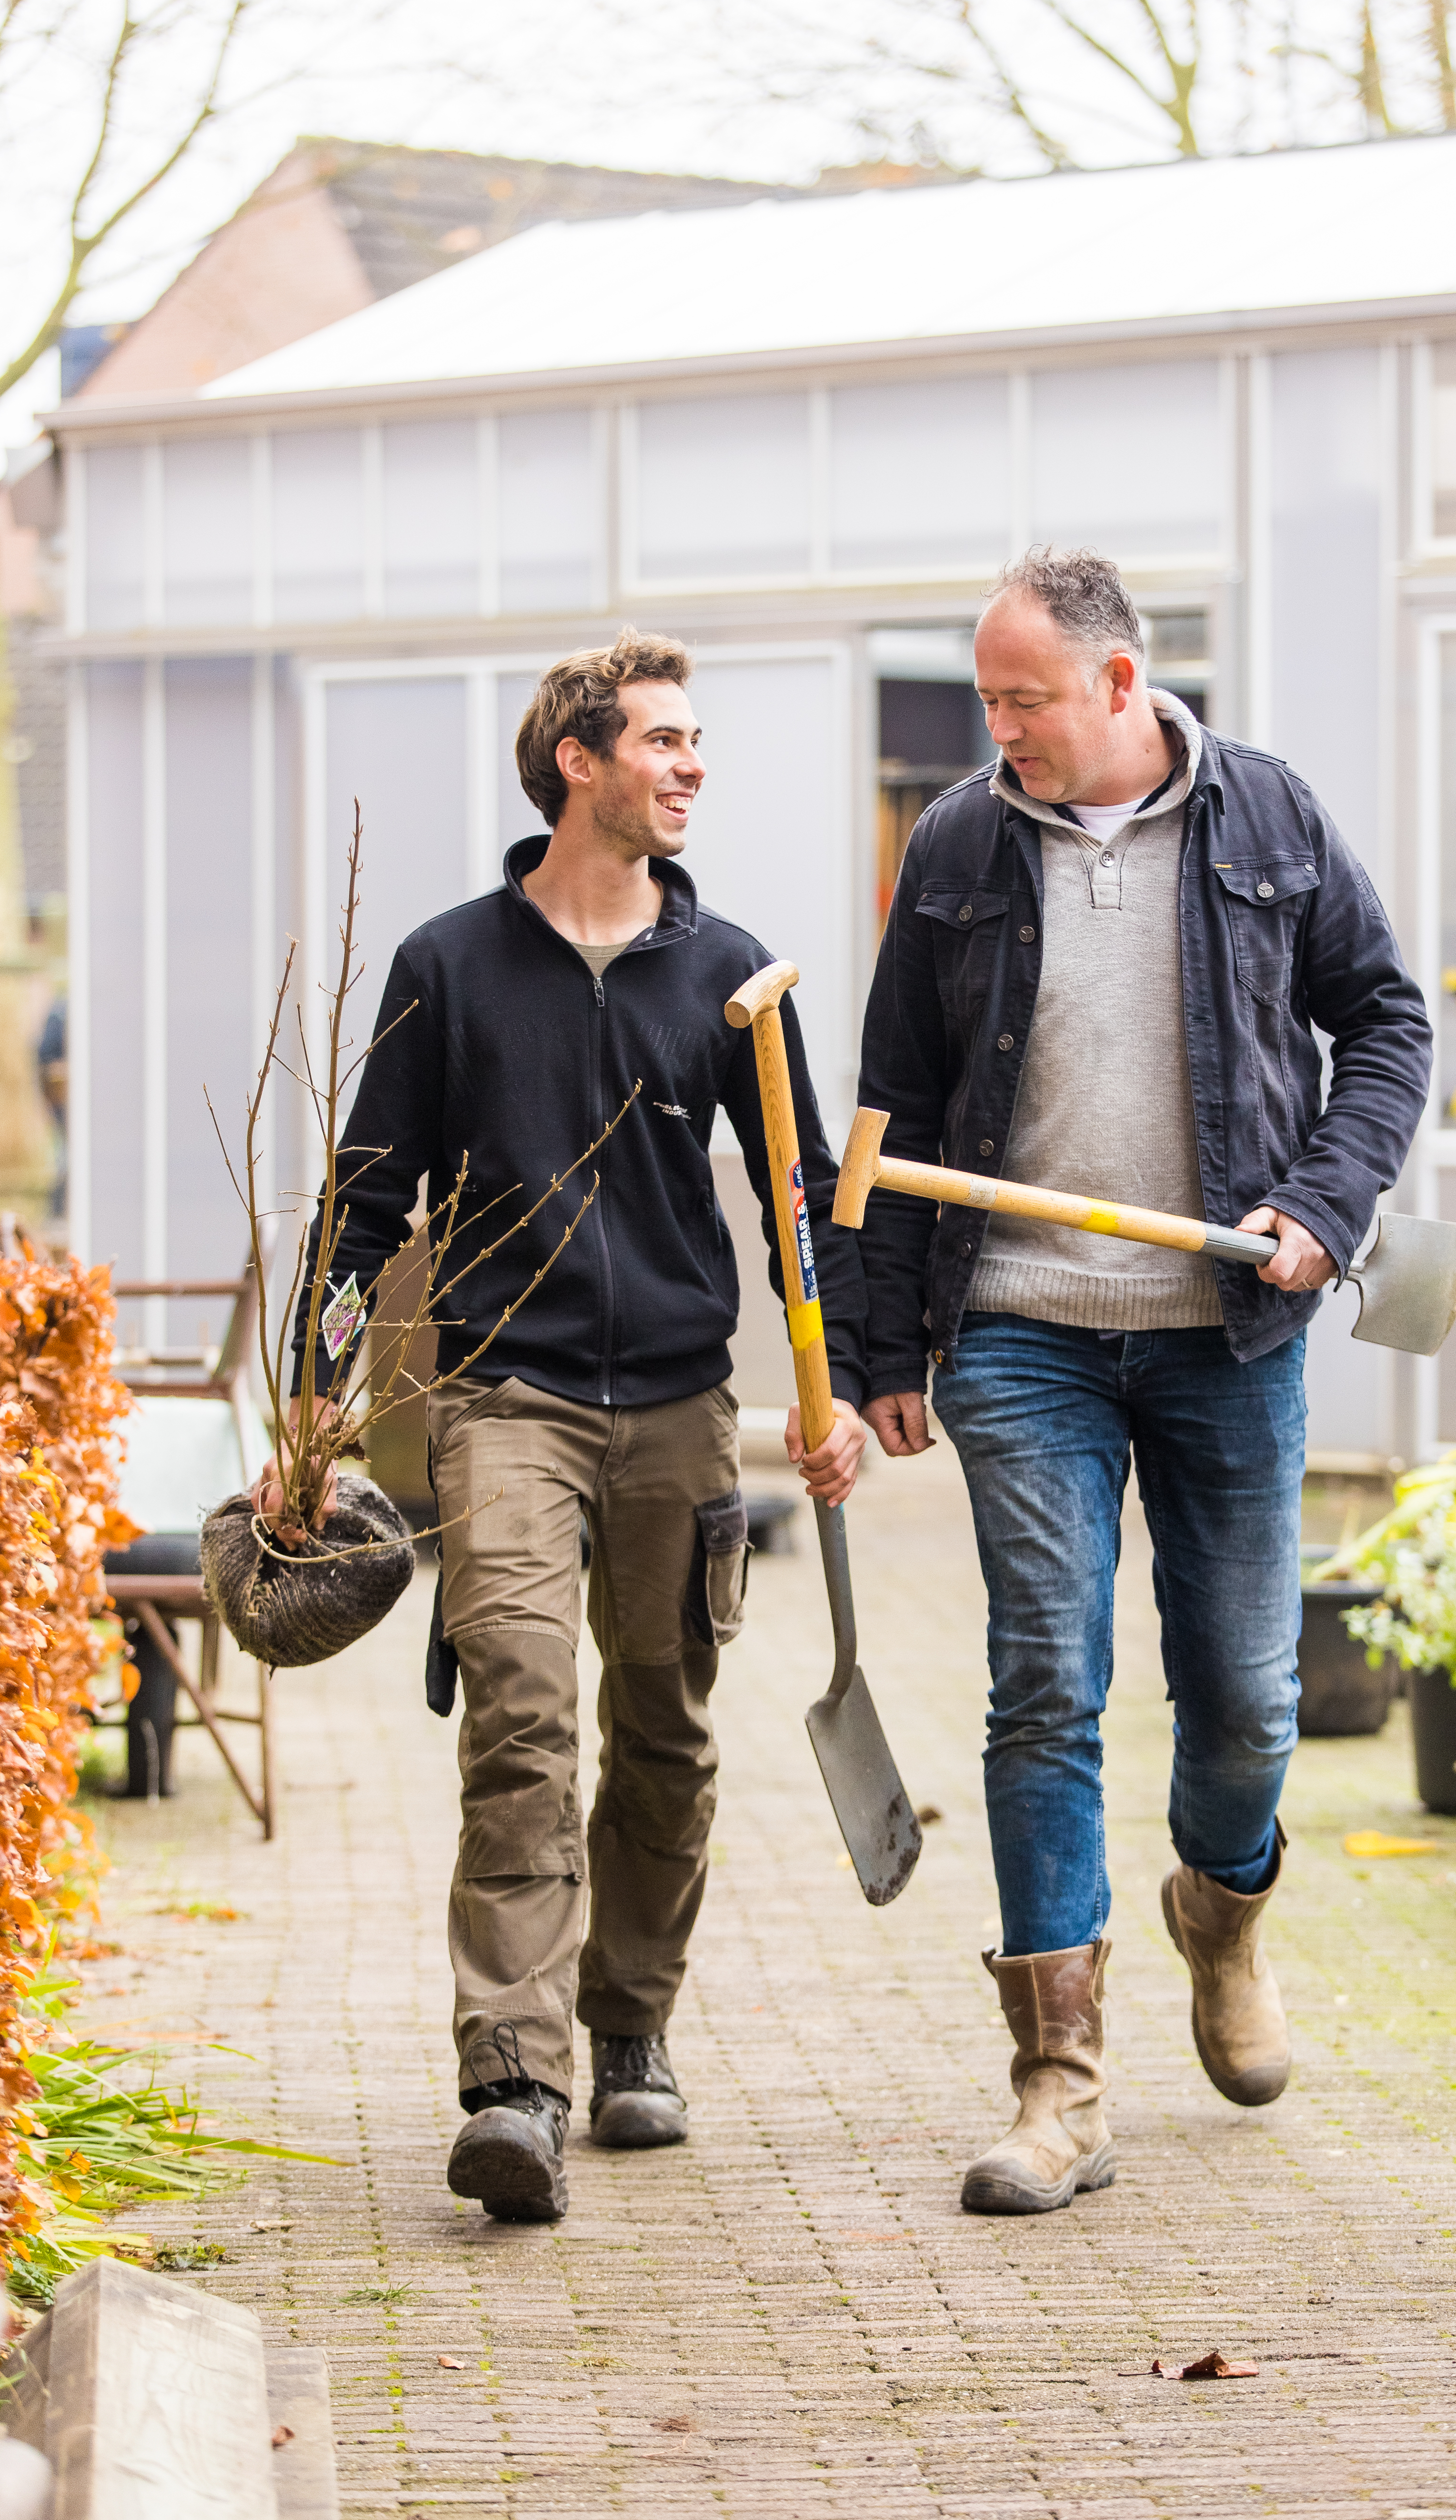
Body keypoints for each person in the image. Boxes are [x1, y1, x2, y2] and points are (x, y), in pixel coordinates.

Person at [258, 628, 869, 2225]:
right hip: (502, 1399)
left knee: (664, 1734)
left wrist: (844, 1393)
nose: (692, 766)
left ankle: (632, 2028)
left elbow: (803, 1211)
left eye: (696, 742)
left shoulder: (736, 975)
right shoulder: (448, 967)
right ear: (576, 766)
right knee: (523, 1728)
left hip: (680, 1404)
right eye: (662, 740)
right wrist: (320, 1402)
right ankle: (513, 2082)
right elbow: (363, 1206)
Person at [857, 549, 1430, 2215]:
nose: (996, 728)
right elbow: (891, 1099)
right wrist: (891, 1343)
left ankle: (1221, 1912)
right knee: (1046, 1679)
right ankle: (1061, 2084)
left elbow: (1387, 1025)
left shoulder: (1270, 820)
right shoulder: (959, 842)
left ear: (1120, 685)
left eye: (1023, 698)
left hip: (1226, 1327)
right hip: (1022, 1327)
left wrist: (1325, 1210)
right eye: (988, 696)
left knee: (1248, 1693)